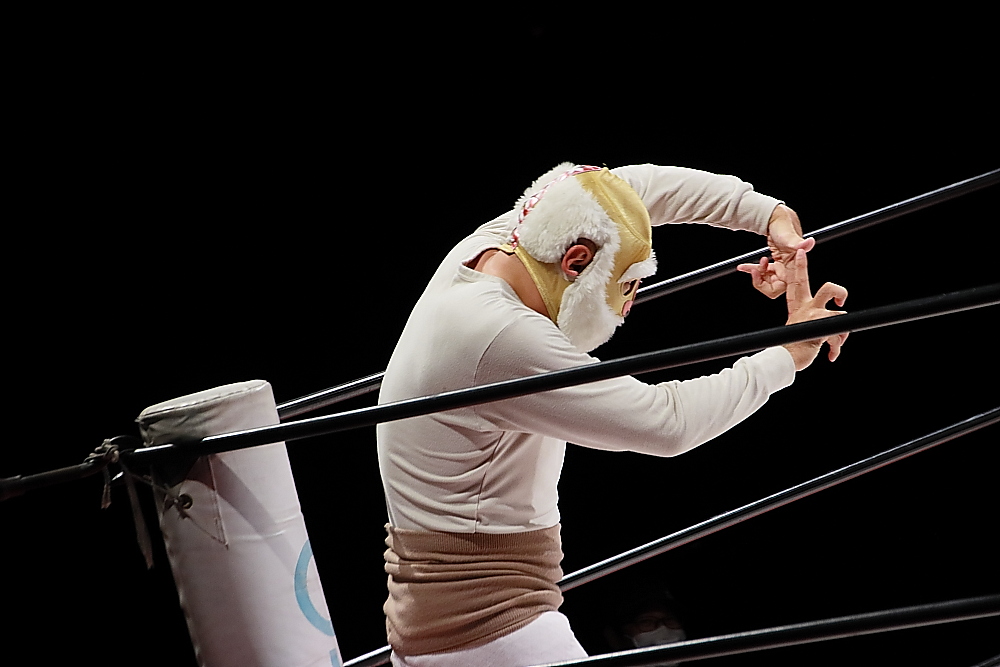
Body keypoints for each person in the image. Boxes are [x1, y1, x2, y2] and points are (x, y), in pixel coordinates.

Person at [376, 163, 848, 667]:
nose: (627, 307)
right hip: (484, 624)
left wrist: (768, 216)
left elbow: (625, 190)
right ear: (576, 262)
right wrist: (789, 353)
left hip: (463, 614)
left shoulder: (507, 240)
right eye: (627, 284)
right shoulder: (500, 335)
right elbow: (667, 424)